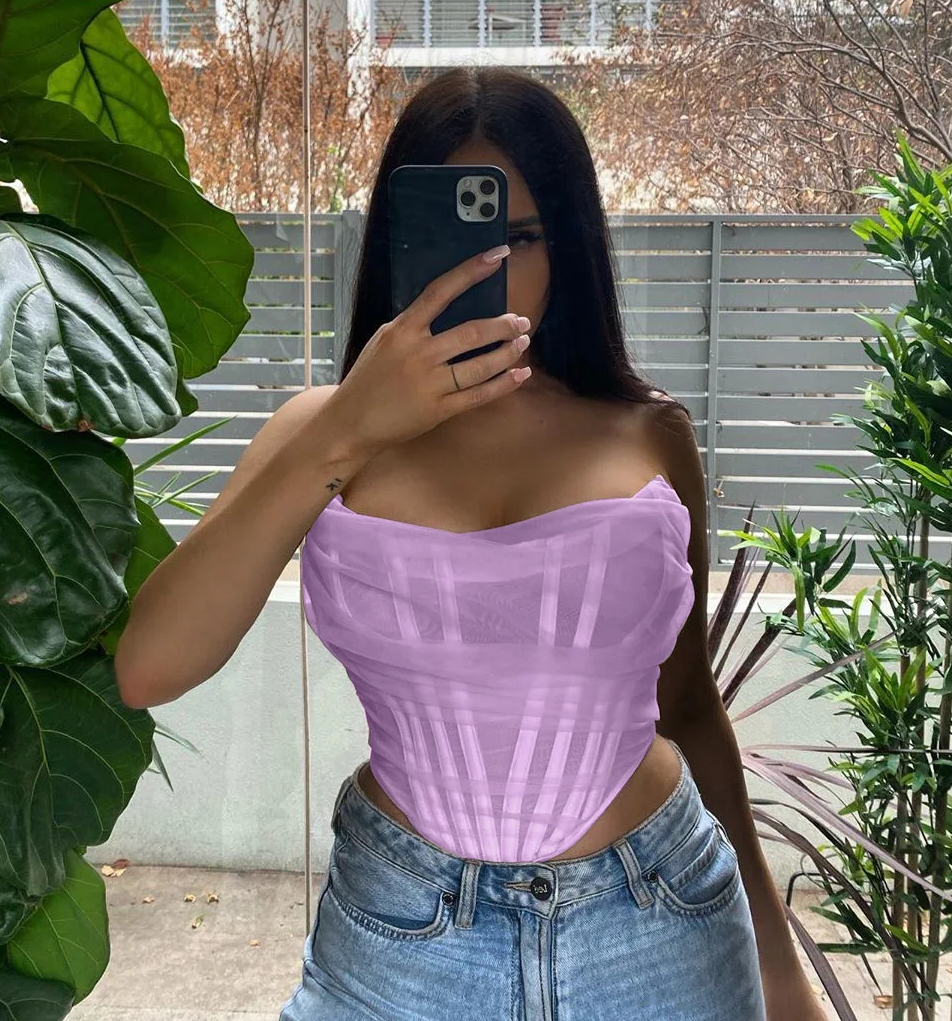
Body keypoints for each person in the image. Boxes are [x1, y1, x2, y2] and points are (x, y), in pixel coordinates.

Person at [115, 67, 820, 1020]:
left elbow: (688, 704)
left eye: (521, 237)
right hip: (401, 938)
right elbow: (150, 667)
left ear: (570, 245)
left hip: (659, 924)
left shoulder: (649, 435)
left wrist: (780, 966)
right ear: (399, 241)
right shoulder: (317, 435)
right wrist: (349, 428)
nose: (489, 269)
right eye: (460, 237)